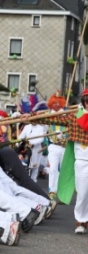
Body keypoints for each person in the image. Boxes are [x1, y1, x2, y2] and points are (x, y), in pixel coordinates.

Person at [21, 89, 88, 234]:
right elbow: (53, 119)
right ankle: (81, 220)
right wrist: (34, 117)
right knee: (82, 193)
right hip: (82, 161)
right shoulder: (74, 116)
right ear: (84, 102)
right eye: (87, 101)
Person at [46, 92, 67, 200]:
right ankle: (52, 191)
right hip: (53, 146)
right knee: (53, 169)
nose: (56, 105)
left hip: (65, 147)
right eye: (54, 103)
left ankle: (62, 193)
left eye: (58, 102)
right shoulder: (48, 115)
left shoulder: (68, 114)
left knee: (64, 170)